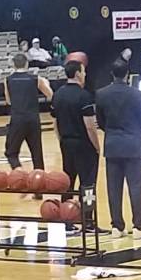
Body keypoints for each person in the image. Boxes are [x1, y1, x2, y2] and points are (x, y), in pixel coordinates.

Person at [92, 59, 141, 234]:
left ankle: (116, 226)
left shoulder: (101, 94)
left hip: (112, 144)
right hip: (133, 144)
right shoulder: (136, 94)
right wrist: (135, 134)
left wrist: (111, 132)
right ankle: (138, 227)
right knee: (135, 186)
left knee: (113, 188)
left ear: (112, 73)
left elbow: (100, 121)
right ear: (128, 74)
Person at [51, 62, 97, 198]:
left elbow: (55, 123)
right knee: (88, 183)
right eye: (83, 72)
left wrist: (62, 140)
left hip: (66, 143)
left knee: (67, 181)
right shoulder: (85, 96)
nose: (85, 74)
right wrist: (97, 146)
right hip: (83, 144)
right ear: (77, 74)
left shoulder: (57, 94)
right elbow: (90, 126)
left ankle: (67, 215)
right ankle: (87, 216)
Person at [3, 56, 52, 170]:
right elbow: (50, 95)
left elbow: (8, 101)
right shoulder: (36, 79)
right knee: (37, 154)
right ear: (27, 64)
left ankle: (19, 172)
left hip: (17, 119)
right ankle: (39, 180)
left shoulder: (8, 79)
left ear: (13, 65)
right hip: (33, 119)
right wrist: (47, 83)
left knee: (11, 153)